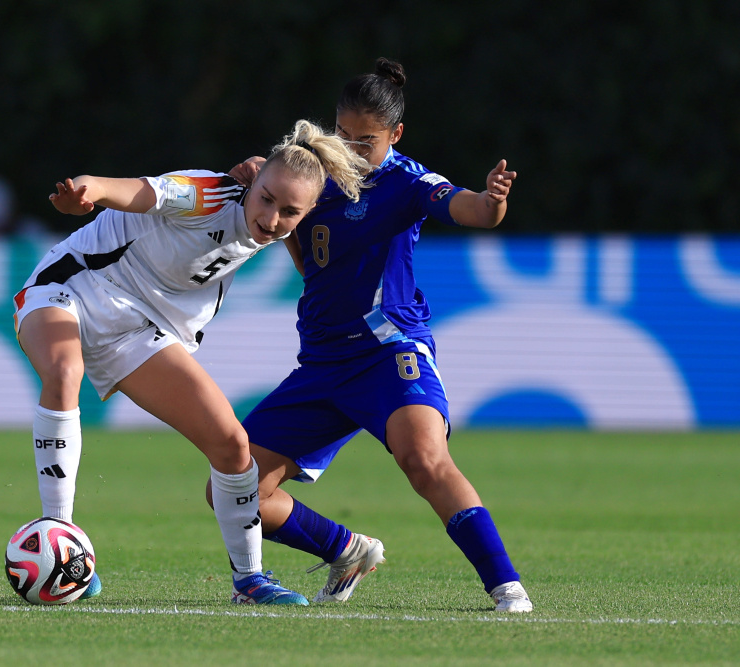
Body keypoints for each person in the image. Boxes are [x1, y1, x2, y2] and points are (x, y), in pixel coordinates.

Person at [211, 58, 533, 612]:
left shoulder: (406, 181)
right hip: (322, 361)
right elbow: (285, 235)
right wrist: (256, 179)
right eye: (343, 135)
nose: (353, 149)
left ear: (396, 136)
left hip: (388, 353)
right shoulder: (312, 174)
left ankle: (507, 587)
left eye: (368, 141)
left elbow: (471, 210)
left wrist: (493, 200)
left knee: (424, 460)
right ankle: (347, 549)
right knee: (234, 490)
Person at [12, 119, 370, 605]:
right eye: (265, 199)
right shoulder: (205, 193)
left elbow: (300, 239)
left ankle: (249, 582)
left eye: (289, 212)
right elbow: (140, 192)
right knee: (64, 371)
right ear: (253, 182)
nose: (271, 217)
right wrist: (89, 190)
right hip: (69, 289)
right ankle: (62, 533)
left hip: (141, 329)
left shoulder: (282, 219)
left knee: (231, 443)